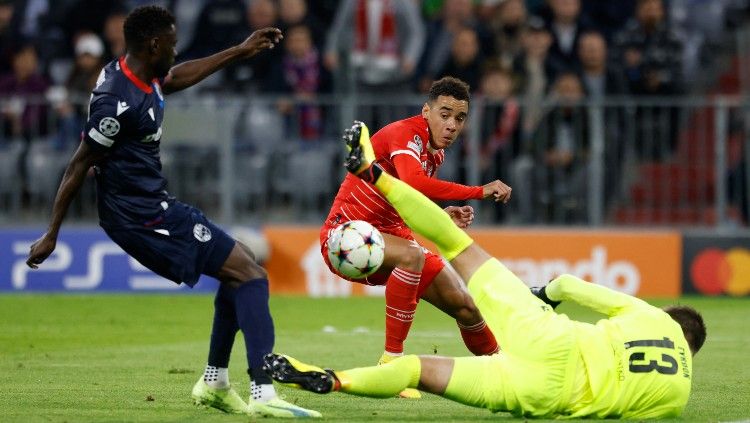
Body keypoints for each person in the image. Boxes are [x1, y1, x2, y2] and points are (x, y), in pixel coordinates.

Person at [264, 120, 707, 419]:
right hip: (543, 392)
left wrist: (539, 299)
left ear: (670, 318)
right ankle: (335, 380)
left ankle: (371, 173)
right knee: (422, 371)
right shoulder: (677, 397)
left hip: (550, 339)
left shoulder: (652, 318)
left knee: (456, 246)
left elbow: (569, 284)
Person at [24, 6, 319, 419]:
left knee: (242, 270)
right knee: (251, 275)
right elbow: (78, 164)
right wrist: (52, 233)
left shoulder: (142, 72)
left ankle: (215, 382)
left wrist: (238, 50)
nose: (177, 51)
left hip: (155, 205)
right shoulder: (115, 102)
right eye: (174, 44)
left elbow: (175, 77)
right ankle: (263, 392)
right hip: (141, 218)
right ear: (154, 44)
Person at [320, 77, 512, 397]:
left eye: (459, 118)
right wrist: (479, 191)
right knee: (413, 256)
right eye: (444, 114)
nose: (451, 125)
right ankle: (391, 361)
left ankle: (506, 369)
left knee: (465, 306)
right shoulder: (405, 134)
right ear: (427, 111)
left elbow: (405, 200)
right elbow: (414, 182)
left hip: (390, 234)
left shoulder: (434, 153)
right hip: (347, 235)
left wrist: (442, 215)